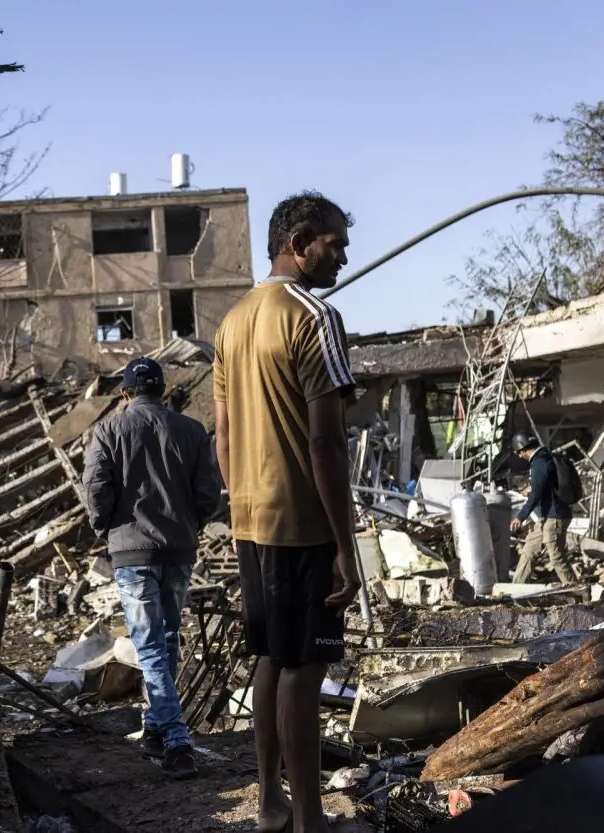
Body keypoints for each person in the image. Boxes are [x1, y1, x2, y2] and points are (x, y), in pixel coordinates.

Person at [214, 192, 362, 833]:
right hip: (303, 524)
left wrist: (244, 501)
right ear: (299, 244)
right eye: (335, 244)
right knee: (305, 668)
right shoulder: (315, 317)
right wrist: (345, 544)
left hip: (252, 522)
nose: (343, 257)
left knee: (270, 658)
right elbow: (325, 443)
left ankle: (271, 804)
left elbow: (222, 437)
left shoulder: (232, 321)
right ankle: (309, 820)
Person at [83, 356, 222, 780]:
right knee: (167, 639)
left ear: (125, 392)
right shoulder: (192, 431)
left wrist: (105, 528)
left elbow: (95, 489)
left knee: (150, 647)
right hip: (178, 552)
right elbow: (209, 493)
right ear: (162, 390)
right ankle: (156, 728)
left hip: (132, 554)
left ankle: (177, 742)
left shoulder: (108, 430)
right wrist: (189, 526)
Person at [509, 432, 575, 584]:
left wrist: (520, 517)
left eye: (519, 453)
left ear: (523, 449)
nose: (520, 456)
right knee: (529, 550)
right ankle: (516, 588)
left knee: (556, 557)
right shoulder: (545, 458)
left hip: (555, 517)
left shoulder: (540, 463)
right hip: (547, 516)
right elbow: (544, 488)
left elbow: (536, 495)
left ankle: (577, 589)